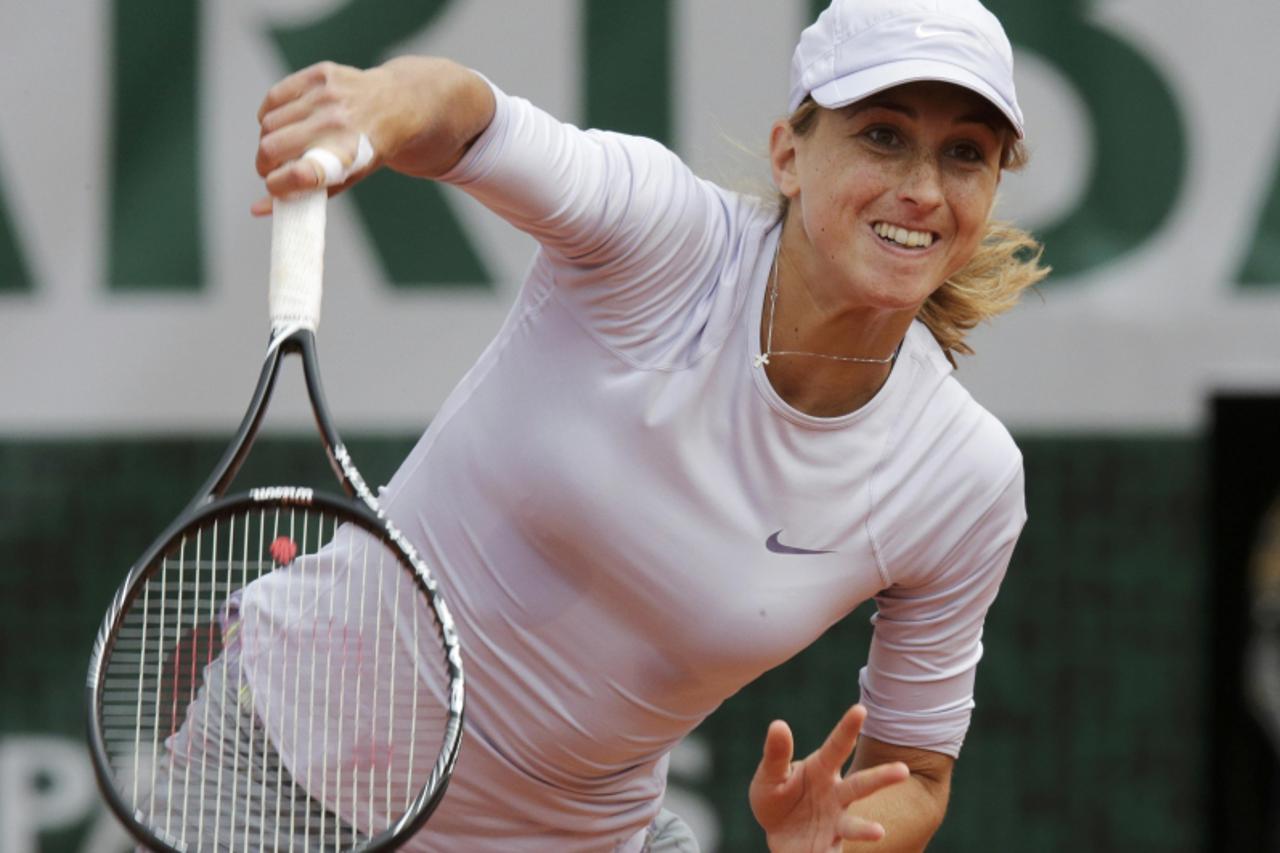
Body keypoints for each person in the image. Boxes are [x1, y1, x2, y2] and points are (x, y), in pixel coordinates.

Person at [248, 0, 1048, 849]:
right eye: (883, 135)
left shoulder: (963, 476)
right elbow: (470, 119)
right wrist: (383, 101)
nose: (923, 189)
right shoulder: (659, 237)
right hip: (280, 774)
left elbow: (918, 774)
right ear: (789, 155)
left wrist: (848, 836)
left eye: (966, 153)